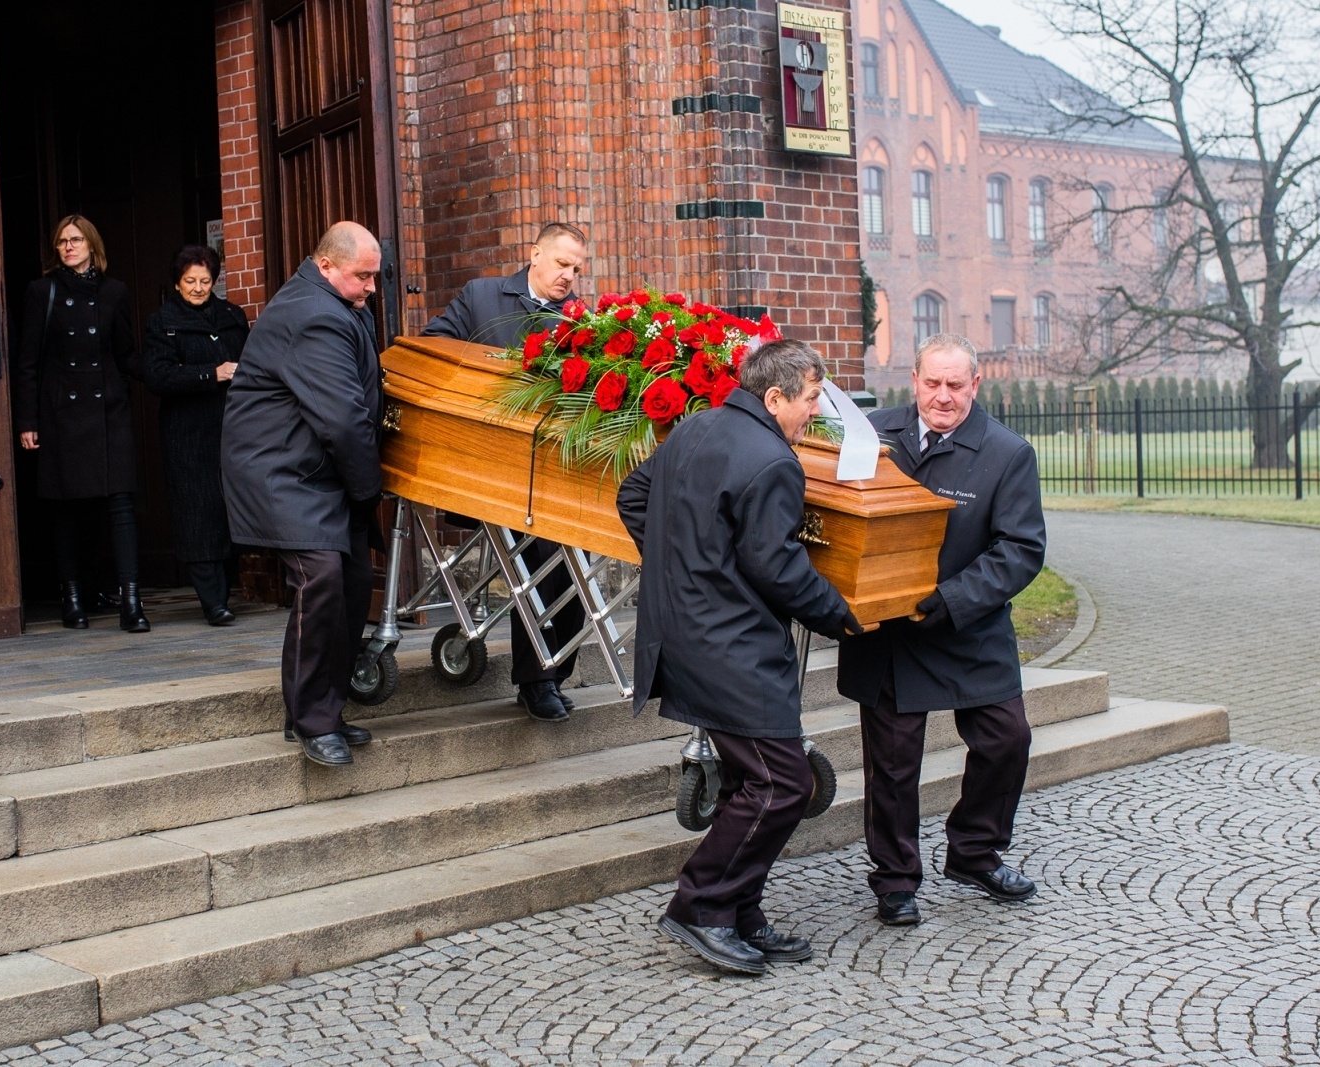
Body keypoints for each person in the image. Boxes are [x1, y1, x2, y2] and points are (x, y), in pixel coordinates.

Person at [617, 338, 863, 976]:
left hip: (696, 633)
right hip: (730, 645)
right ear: (774, 397)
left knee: (749, 782)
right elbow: (777, 567)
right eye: (810, 399)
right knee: (784, 783)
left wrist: (688, 568)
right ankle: (700, 905)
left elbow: (633, 497)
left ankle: (740, 911)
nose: (814, 411)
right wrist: (840, 615)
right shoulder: (772, 461)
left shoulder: (697, 426)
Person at [838, 333, 1046, 927]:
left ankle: (975, 850)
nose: (944, 396)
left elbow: (1020, 551)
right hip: (889, 634)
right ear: (914, 379)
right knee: (894, 767)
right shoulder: (872, 435)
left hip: (967, 628)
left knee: (1007, 740)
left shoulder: (1008, 453)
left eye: (957, 385)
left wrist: (951, 600)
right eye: (933, 383)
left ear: (976, 386)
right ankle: (896, 880)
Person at [221, 221, 383, 767]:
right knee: (323, 578)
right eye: (363, 276)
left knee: (355, 581)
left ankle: (324, 710)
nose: (371, 288)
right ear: (327, 266)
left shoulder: (342, 305)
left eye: (375, 277)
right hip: (282, 474)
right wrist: (369, 492)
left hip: (318, 472)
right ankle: (310, 720)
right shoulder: (313, 315)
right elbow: (342, 418)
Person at [422, 222, 589, 723]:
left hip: (554, 468)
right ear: (534, 255)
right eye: (562, 264)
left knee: (577, 561)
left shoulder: (582, 318)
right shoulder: (482, 296)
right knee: (537, 557)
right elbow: (435, 347)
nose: (569, 276)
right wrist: (493, 374)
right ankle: (537, 682)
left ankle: (556, 671)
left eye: (577, 268)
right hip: (491, 464)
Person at [12, 213, 150, 633]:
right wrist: (28, 420)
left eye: (75, 240)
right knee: (67, 510)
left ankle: (131, 601)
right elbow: (28, 362)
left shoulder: (114, 292)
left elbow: (126, 353)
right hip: (62, 415)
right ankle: (71, 599)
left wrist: (164, 370)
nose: (68, 247)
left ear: (92, 244)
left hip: (108, 411)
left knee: (121, 505)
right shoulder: (42, 292)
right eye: (61, 242)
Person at [142, 245, 248, 626]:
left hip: (231, 427)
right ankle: (213, 602)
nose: (199, 288)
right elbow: (157, 376)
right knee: (196, 513)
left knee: (229, 508)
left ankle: (226, 592)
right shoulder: (162, 322)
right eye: (190, 281)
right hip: (187, 433)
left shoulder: (232, 316)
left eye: (205, 281)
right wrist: (211, 373)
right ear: (177, 282)